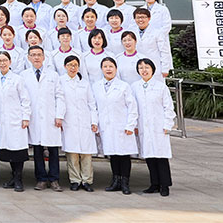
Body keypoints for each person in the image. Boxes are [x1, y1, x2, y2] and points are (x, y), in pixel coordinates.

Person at [93, 56, 138, 195]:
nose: (108, 69)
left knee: (124, 155)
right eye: (105, 66)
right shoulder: (96, 86)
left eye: (111, 66)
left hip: (122, 126)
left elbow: (132, 107)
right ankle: (115, 181)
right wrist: (96, 124)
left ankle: (125, 183)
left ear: (116, 69)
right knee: (113, 155)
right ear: (101, 69)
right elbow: (94, 107)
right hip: (106, 126)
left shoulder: (124, 86)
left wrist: (130, 125)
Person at [22, 46, 65, 191]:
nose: (36, 57)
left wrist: (59, 115)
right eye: (33, 55)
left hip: (50, 117)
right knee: (38, 150)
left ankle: (54, 179)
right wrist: (25, 116)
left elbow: (59, 96)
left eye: (39, 55)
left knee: (53, 150)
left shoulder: (53, 75)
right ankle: (41, 179)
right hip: (34, 117)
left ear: (44, 57)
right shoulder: (24, 75)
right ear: (28, 57)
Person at [133, 57, 175, 196]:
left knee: (161, 157)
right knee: (149, 157)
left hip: (159, 126)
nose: (144, 70)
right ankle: (154, 184)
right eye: (141, 68)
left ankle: (165, 185)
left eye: (147, 67)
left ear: (152, 69)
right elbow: (133, 108)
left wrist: (167, 124)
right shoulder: (135, 87)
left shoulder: (161, 87)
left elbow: (168, 107)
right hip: (143, 126)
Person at [60, 54, 98, 192]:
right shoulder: (60, 82)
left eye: (75, 65)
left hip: (85, 121)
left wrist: (94, 121)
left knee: (86, 154)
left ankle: (87, 180)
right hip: (68, 121)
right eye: (70, 65)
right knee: (72, 154)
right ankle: (75, 180)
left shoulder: (84, 83)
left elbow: (91, 104)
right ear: (65, 66)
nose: (73, 67)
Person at [0, 50, 31, 192]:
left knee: (18, 151)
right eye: (0, 61)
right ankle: (13, 178)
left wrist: (25, 117)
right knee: (8, 151)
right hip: (3, 120)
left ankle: (18, 179)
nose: (2, 63)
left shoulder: (17, 79)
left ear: (10, 62)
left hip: (17, 119)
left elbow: (25, 99)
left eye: (5, 60)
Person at [133, 7, 173, 77]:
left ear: (149, 18)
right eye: (138, 18)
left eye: (143, 17)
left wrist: (165, 68)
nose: (140, 20)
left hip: (155, 65)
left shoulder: (157, 32)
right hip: (137, 66)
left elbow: (164, 51)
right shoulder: (131, 32)